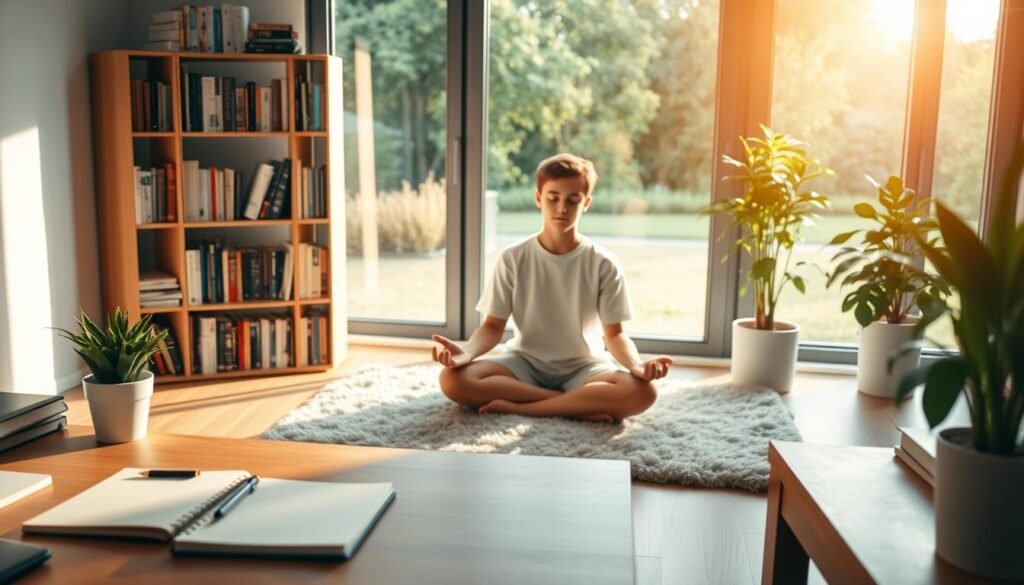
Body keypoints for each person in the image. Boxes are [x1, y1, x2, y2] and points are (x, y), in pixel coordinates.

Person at [431, 153, 672, 422]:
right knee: (453, 380)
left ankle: (523, 406)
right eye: (553, 197)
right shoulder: (513, 257)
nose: (562, 208)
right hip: (524, 363)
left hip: (585, 367)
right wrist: (466, 352)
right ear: (538, 198)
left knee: (643, 392)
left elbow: (615, 335)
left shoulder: (604, 263)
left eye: (573, 200)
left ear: (587, 203)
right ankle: (578, 406)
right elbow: (492, 327)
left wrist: (636, 365)